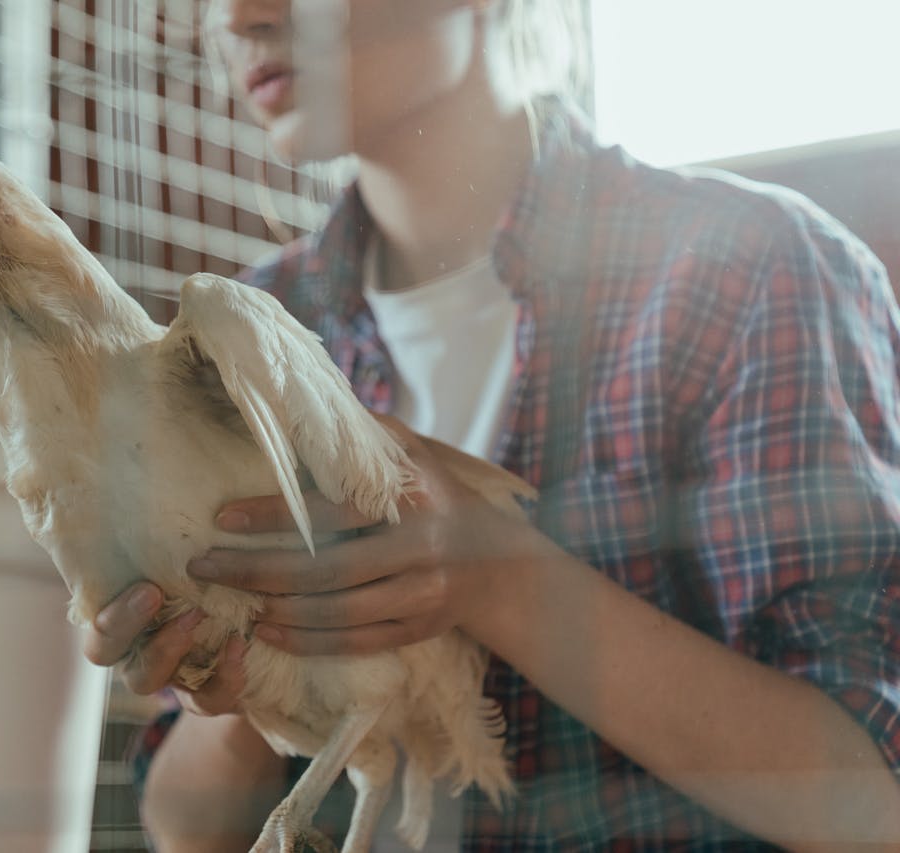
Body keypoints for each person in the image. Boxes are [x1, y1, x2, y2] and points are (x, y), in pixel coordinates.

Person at [83, 0, 900, 849]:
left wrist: (496, 576)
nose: (242, 16)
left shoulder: (752, 270)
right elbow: (184, 828)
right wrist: (257, 648)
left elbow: (872, 808)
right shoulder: (248, 330)